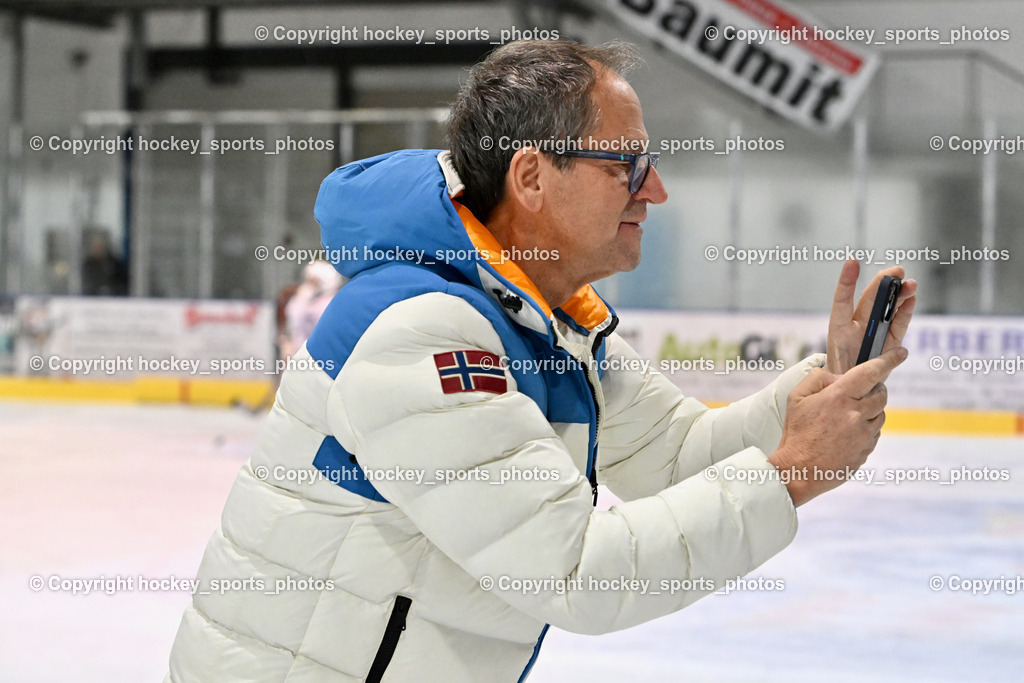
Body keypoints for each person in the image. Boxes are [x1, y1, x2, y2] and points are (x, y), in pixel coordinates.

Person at [166, 40, 917, 682]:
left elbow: (680, 454)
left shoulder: (545, 321)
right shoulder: (425, 332)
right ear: (530, 178)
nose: (653, 189)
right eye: (625, 164)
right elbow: (575, 573)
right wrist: (792, 470)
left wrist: (825, 389)